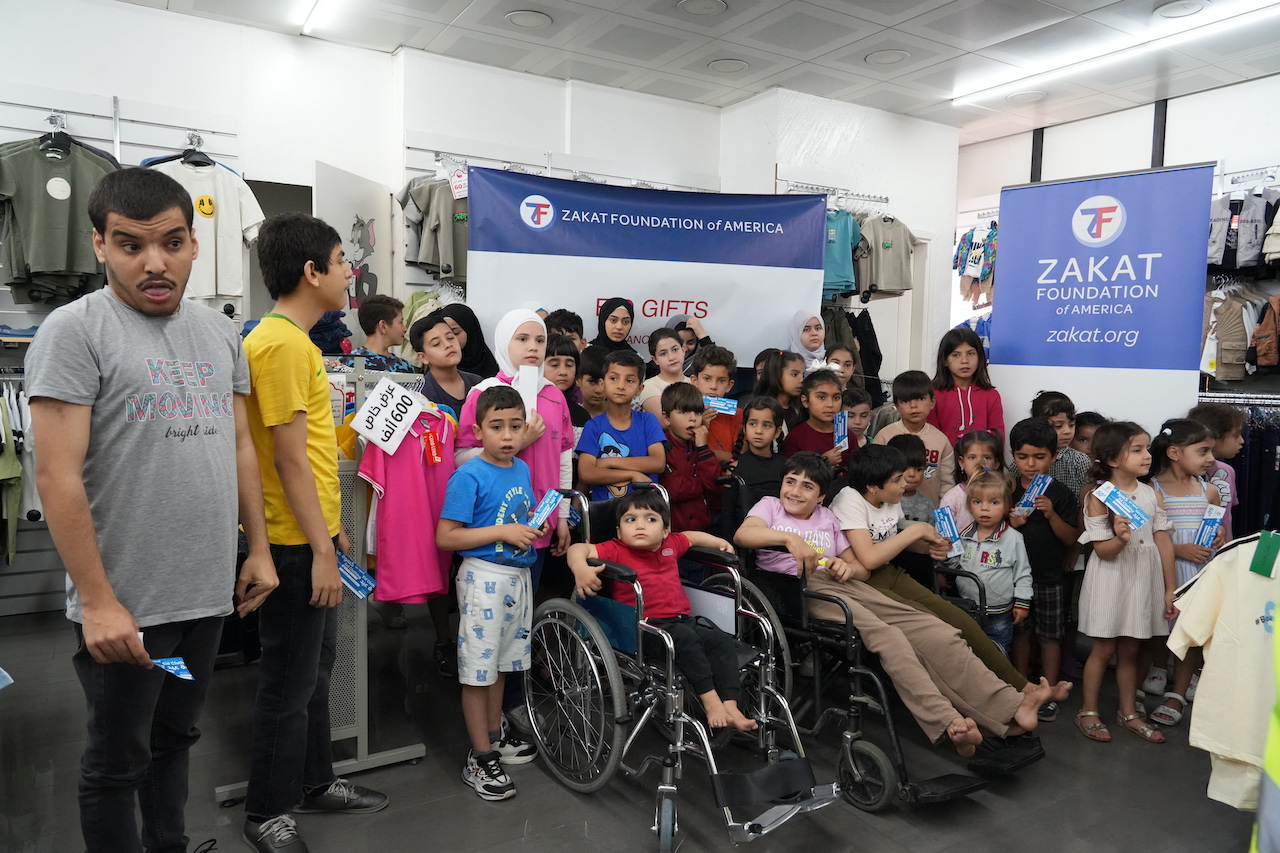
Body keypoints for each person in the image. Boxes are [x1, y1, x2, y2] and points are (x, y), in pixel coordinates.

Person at [27, 167, 277, 853]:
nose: (155, 262)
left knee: (175, 739)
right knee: (116, 762)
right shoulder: (72, 331)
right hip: (127, 610)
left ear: (195, 243)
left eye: (171, 242)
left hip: (203, 597)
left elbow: (239, 446)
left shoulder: (219, 332)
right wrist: (99, 601)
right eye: (131, 244)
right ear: (99, 245)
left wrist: (255, 548)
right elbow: (56, 475)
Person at [735, 454, 1068, 755]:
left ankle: (1010, 706)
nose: (795, 490)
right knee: (891, 639)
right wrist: (790, 539)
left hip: (845, 583)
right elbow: (744, 536)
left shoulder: (826, 518)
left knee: (936, 629)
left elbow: (861, 568)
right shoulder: (770, 506)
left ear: (821, 495)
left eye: (807, 486)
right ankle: (949, 721)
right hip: (799, 590)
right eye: (790, 481)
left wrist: (843, 566)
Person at [242, 212, 387, 852]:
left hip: (314, 537)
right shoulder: (277, 344)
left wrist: (335, 532)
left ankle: (313, 781)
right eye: (340, 260)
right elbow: (287, 460)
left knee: (316, 672)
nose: (348, 272)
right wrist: (320, 550)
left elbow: (316, 454)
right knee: (288, 682)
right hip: (294, 546)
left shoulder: (295, 344)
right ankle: (266, 811)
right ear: (312, 271)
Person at [831, 445, 1029, 690]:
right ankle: (985, 691)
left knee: (958, 619)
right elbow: (869, 559)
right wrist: (915, 531)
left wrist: (929, 549)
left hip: (890, 572)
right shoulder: (849, 499)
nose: (905, 483)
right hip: (864, 582)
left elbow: (893, 542)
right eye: (897, 479)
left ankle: (1021, 686)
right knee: (935, 626)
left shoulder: (890, 498)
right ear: (873, 486)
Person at [436, 386, 547, 801]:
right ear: (478, 431)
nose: (507, 435)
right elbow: (446, 537)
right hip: (483, 579)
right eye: (496, 426)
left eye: (515, 426)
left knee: (502, 665)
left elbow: (520, 516)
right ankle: (479, 758)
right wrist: (502, 532)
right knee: (477, 672)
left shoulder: (519, 468)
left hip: (517, 578)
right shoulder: (468, 474)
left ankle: (495, 737)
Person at [569, 490, 756, 731]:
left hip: (681, 622)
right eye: (630, 520)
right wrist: (580, 568)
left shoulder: (671, 544)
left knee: (721, 641)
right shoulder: (615, 549)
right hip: (642, 628)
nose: (640, 526)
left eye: (650, 519)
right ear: (618, 532)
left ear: (665, 530)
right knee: (687, 641)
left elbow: (691, 537)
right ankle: (711, 703)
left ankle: (730, 705)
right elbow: (578, 549)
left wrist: (717, 542)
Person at [456, 309, 574, 593]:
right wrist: (522, 441)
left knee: (525, 604)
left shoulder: (554, 396)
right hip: (492, 519)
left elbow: (563, 461)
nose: (533, 347)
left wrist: (562, 517)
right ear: (504, 342)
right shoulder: (485, 393)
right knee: (488, 603)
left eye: (540, 340)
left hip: (540, 520)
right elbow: (461, 458)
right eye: (522, 339)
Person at [1074, 421, 1176, 744]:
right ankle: (1088, 710)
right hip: (1111, 578)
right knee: (1103, 649)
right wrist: (1120, 537)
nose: (1147, 455)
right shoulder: (1098, 497)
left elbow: (1163, 543)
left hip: (1142, 581)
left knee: (1131, 649)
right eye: (1137, 449)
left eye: (1146, 448)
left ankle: (1128, 712)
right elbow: (1103, 552)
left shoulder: (1151, 495)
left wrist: (1170, 587)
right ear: (1113, 459)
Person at [1147, 418, 1223, 728]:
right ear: (1175, 452)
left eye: (1212, 452)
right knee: (1157, 627)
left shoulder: (1209, 491)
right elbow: (1147, 538)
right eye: (1203, 451)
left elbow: (1218, 532)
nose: (1211, 460)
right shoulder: (1151, 490)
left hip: (1198, 574)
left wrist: (1218, 539)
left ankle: (1178, 692)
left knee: (1191, 631)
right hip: (1164, 572)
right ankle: (1156, 668)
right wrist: (1178, 550)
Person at [1006, 418, 1080, 712]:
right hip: (1012, 577)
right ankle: (1021, 686)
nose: (1031, 464)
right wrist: (1011, 524)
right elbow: (994, 531)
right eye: (1022, 457)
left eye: (1039, 457)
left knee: (1051, 636)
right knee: (1020, 632)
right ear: (1013, 456)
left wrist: (1051, 515)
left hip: (1049, 576)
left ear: (1054, 456)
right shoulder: (1007, 488)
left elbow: (1070, 537)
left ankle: (1048, 689)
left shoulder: (1060, 493)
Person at [950, 470, 1031, 653]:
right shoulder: (963, 536)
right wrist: (945, 553)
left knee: (998, 656)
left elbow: (1023, 574)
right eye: (977, 502)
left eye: (994, 502)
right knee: (971, 656)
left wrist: (1022, 603)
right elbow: (954, 565)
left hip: (999, 615)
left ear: (1005, 506)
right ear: (969, 506)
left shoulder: (1013, 538)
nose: (984, 508)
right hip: (968, 609)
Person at [577, 349, 666, 501]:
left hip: (645, 510)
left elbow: (658, 462)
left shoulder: (647, 421)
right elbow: (586, 473)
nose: (621, 386)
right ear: (602, 384)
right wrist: (631, 474)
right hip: (606, 512)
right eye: (614, 378)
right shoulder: (593, 426)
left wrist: (607, 462)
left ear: (640, 389)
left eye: (629, 380)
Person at [872, 370, 955, 505]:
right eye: (905, 401)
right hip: (888, 511)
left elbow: (947, 484)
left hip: (930, 515)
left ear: (932, 402)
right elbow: (874, 477)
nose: (913, 406)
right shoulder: (884, 436)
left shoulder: (941, 440)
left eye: (921, 399)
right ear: (896, 405)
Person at [658, 383, 720, 533]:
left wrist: (703, 448)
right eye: (684, 412)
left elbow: (714, 483)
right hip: (674, 532)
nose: (693, 419)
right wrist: (702, 483)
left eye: (698, 413)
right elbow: (676, 490)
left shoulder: (699, 447)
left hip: (703, 529)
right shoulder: (662, 448)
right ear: (666, 418)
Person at [927, 328, 1005, 444]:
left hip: (982, 461)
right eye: (956, 355)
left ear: (980, 358)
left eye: (971, 353)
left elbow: (997, 435)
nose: (964, 361)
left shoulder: (991, 395)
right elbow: (930, 435)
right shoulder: (932, 395)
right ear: (945, 360)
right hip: (944, 460)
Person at [1187, 401, 1245, 541]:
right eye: (1236, 435)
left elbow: (1227, 518)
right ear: (1213, 436)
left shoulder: (1227, 471)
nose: (1242, 441)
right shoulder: (1181, 474)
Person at [412, 309, 482, 420]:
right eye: (436, 344)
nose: (448, 344)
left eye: (450, 337)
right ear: (423, 357)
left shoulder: (478, 384)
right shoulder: (421, 395)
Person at [940, 429, 1007, 534]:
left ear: (996, 463)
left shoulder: (1002, 492)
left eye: (987, 457)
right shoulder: (952, 497)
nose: (979, 462)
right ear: (961, 462)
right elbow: (942, 535)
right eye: (972, 457)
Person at [1030, 390, 1093, 499]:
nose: (1067, 431)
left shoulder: (1080, 461)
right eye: (1058, 426)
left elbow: (1086, 502)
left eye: (1071, 425)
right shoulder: (1026, 458)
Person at [782, 368, 847, 472]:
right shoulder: (795, 438)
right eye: (821, 397)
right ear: (805, 401)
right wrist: (824, 462)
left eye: (836, 398)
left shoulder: (848, 436)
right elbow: (792, 475)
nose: (830, 404)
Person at [688, 345, 740, 470]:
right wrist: (701, 425)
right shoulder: (685, 414)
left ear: (729, 385)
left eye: (721, 381)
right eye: (707, 379)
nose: (713, 386)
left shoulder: (738, 415)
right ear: (695, 381)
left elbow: (740, 459)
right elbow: (686, 456)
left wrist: (705, 449)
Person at [731, 396, 788, 510]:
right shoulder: (734, 467)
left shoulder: (787, 467)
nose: (758, 431)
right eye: (752, 424)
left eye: (766, 425)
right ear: (744, 428)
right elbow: (728, 513)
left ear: (777, 432)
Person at [337, 294, 414, 372]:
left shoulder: (405, 367)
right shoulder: (346, 364)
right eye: (400, 322)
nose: (405, 329)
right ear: (383, 326)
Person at [543, 333, 589, 442]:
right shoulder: (529, 409)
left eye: (569, 365)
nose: (563, 372)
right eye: (554, 365)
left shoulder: (581, 416)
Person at [439, 302, 500, 378]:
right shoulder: (438, 364)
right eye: (446, 335)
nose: (450, 341)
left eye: (456, 333)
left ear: (470, 330)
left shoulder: (486, 362)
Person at [638, 327, 689, 416]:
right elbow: (664, 421)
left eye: (675, 350)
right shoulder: (649, 386)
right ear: (655, 360)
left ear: (683, 350)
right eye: (663, 353)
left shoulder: (696, 382)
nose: (671, 357)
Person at [754, 350, 806, 432]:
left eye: (803, 375)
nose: (801, 380)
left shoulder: (800, 409)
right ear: (777, 374)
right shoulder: (761, 408)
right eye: (794, 374)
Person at [886, 433, 933, 523]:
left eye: (918, 469)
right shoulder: (881, 500)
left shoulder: (928, 506)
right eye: (905, 468)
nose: (912, 474)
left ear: (925, 469)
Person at [578, 346, 608, 420]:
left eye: (604, 383)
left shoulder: (622, 417)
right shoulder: (568, 415)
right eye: (592, 382)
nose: (599, 390)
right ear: (578, 380)